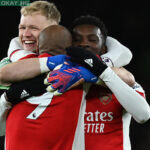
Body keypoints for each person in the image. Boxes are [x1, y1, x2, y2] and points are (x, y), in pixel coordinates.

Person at [0, 2, 145, 149]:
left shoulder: (81, 71)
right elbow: (3, 75)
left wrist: (96, 70)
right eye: (22, 27)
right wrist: (7, 99)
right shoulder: (15, 66)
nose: (26, 34)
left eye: (34, 28)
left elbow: (128, 76)